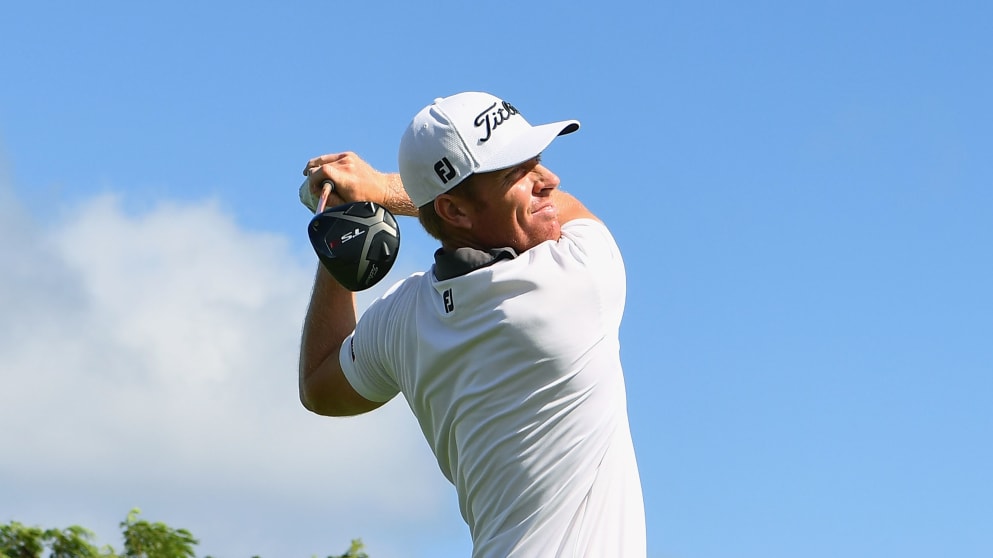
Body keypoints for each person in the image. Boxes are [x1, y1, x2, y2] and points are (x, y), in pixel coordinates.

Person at [298, 92, 646, 557]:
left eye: (537, 161)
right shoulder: (577, 277)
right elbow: (568, 209)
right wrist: (381, 188)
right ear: (454, 212)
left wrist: (340, 236)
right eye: (517, 172)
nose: (548, 179)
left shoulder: (402, 318)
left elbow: (320, 386)